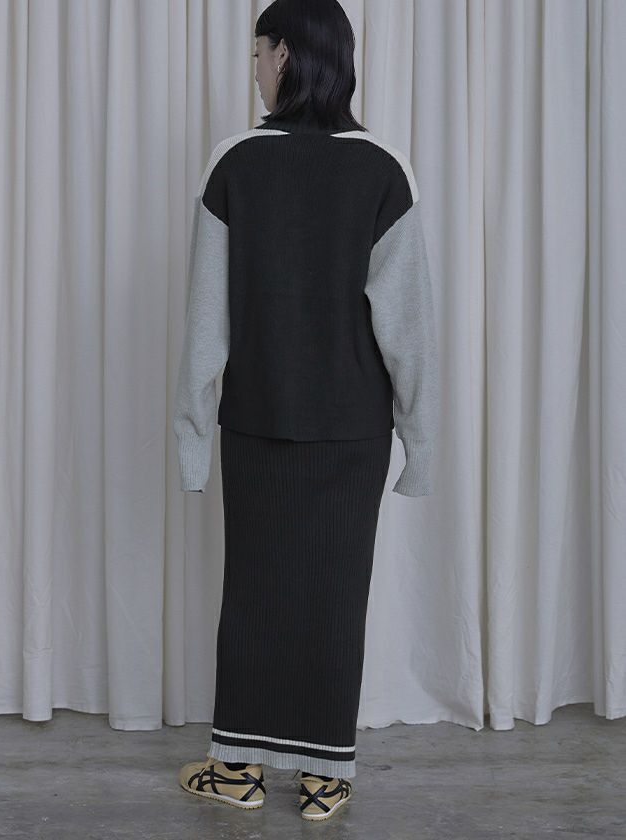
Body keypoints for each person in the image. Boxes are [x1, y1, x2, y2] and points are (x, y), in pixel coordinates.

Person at [173, 0, 440, 822]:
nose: (255, 68)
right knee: (334, 594)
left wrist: (191, 440)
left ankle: (238, 770)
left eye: (259, 51)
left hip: (258, 418)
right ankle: (327, 776)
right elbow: (408, 330)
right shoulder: (384, 168)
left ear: (286, 55)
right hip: (354, 430)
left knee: (253, 593)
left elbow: (206, 322)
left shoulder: (235, 163)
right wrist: (421, 444)